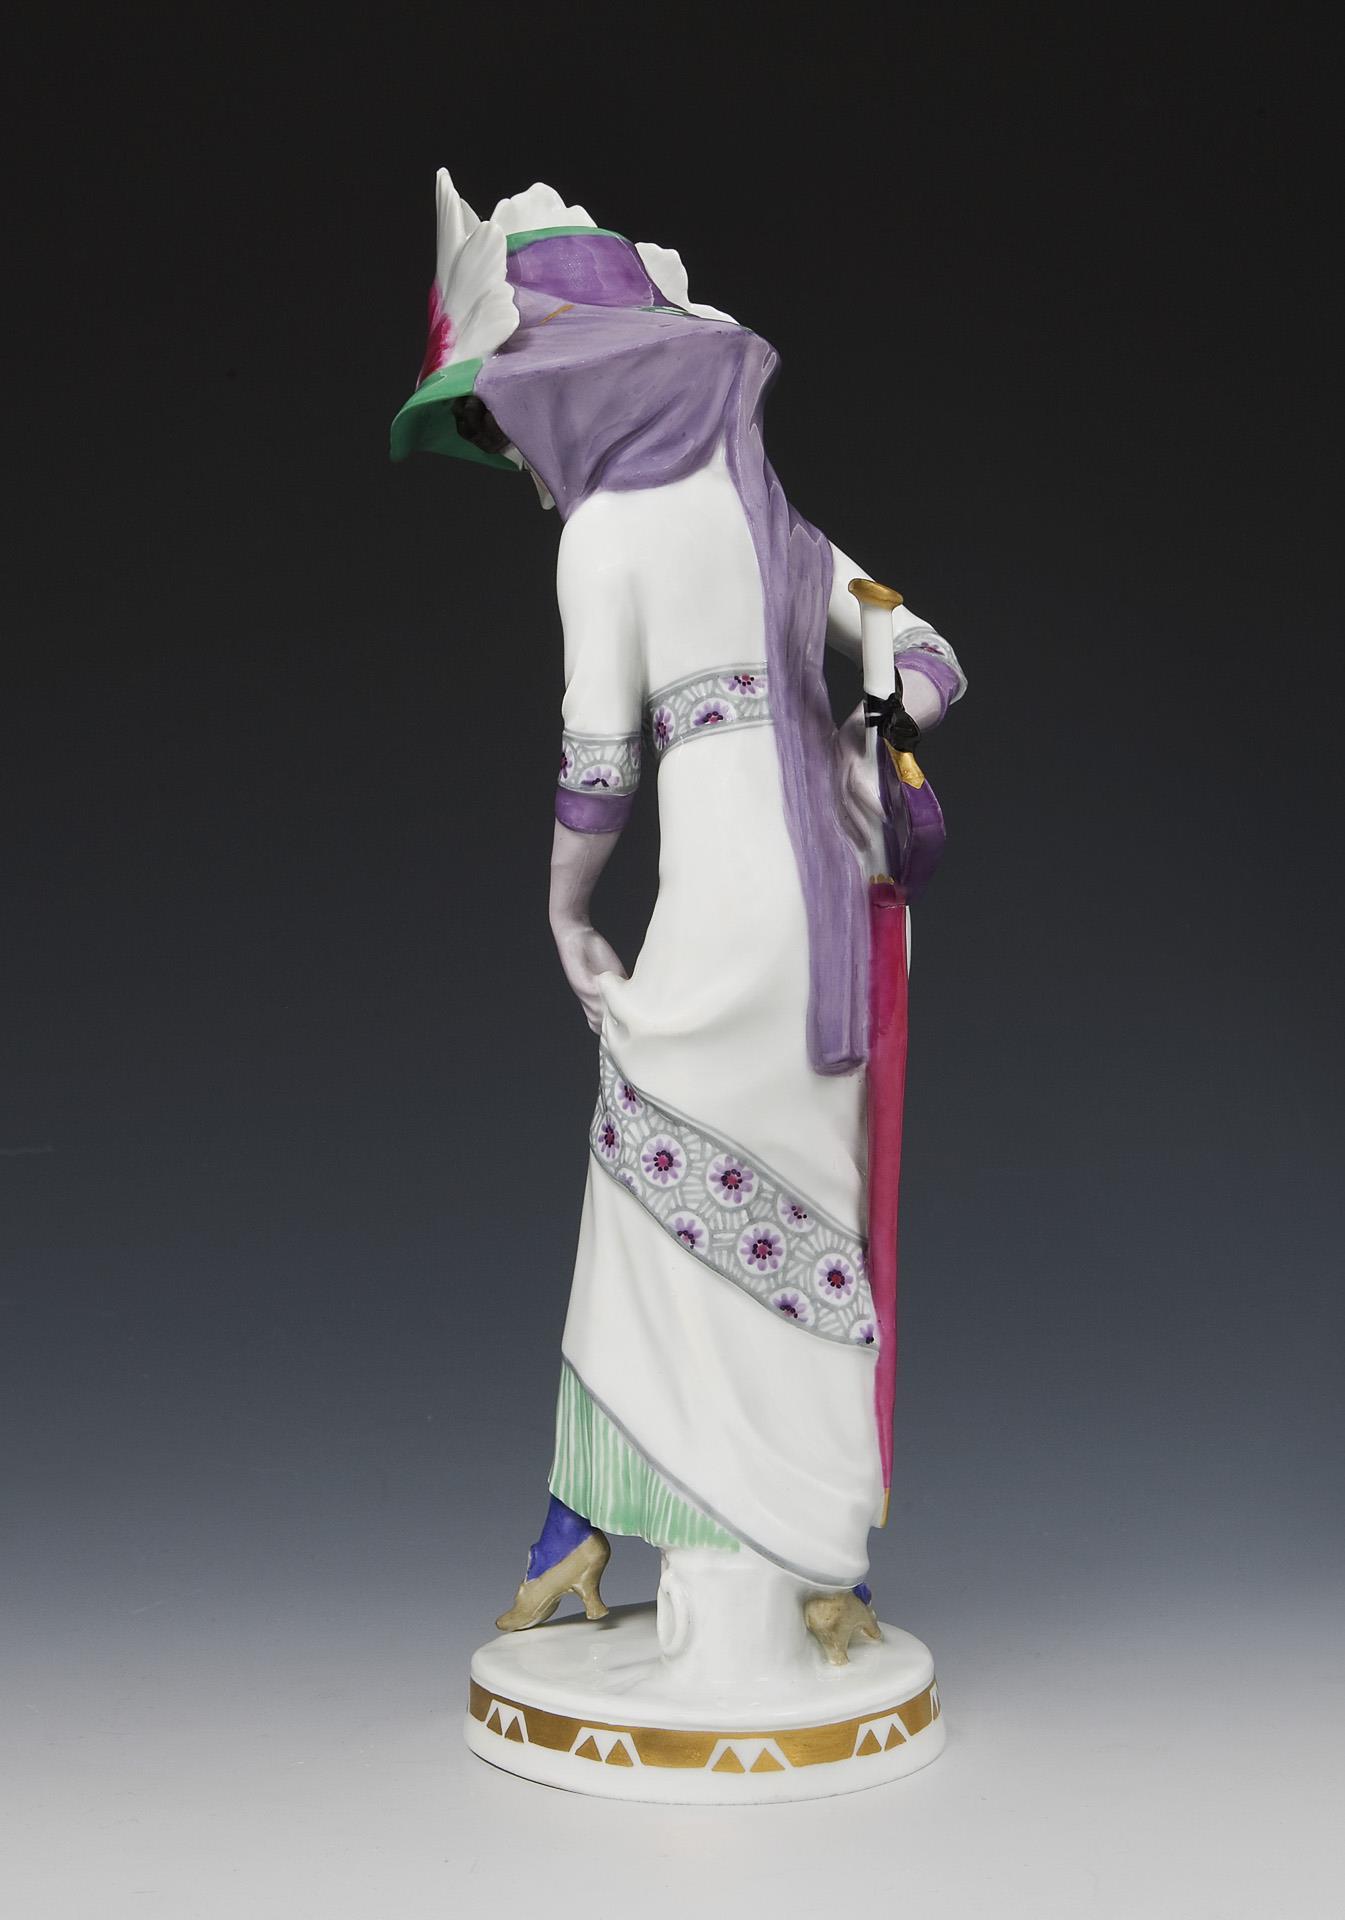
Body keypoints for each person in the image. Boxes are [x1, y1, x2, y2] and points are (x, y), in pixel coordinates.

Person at [391, 174, 966, 1659]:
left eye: (509, 420)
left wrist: (564, 911)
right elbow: (927, 652)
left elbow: (597, 765)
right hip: (821, 912)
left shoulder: (605, 538)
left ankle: (590, 1532)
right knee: (799, 1215)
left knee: (652, 1207)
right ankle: (810, 1560)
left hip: (721, 916)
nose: (517, 456)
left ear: (567, 391)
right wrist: (883, 706)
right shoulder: (769, 518)